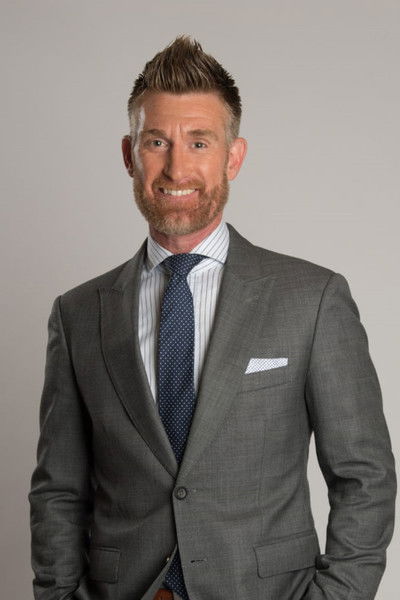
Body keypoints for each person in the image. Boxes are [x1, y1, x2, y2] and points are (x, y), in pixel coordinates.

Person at [29, 35, 396, 600]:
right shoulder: (78, 314)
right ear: (129, 155)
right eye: (157, 141)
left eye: (199, 142)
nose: (177, 166)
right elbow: (59, 490)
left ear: (233, 156)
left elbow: (364, 477)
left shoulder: (312, 299)